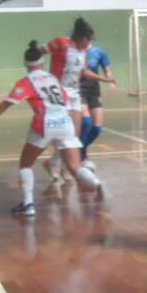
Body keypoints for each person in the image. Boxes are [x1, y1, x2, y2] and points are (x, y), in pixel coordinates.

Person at [0, 41, 102, 217]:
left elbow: (8, 102)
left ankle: (28, 205)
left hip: (44, 123)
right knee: (75, 167)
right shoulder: (53, 79)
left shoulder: (26, 82)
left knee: (25, 164)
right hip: (65, 122)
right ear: (42, 62)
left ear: (25, 64)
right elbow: (64, 99)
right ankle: (97, 184)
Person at [40, 18, 114, 180]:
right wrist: (42, 76)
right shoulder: (60, 43)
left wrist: (104, 79)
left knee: (75, 133)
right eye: (88, 40)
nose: (89, 44)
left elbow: (84, 72)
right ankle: (62, 165)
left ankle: (56, 162)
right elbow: (39, 52)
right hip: (59, 94)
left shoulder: (84, 53)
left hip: (74, 94)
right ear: (81, 38)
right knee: (63, 132)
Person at [79, 44, 116, 164]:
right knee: (86, 122)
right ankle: (81, 155)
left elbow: (107, 69)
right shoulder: (75, 51)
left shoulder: (99, 52)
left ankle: (81, 149)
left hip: (94, 91)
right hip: (79, 90)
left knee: (97, 128)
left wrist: (110, 80)